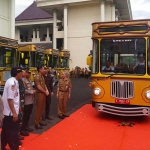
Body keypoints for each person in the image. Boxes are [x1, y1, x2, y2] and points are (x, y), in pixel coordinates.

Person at [1, 67, 22, 150]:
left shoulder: (12, 81)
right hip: (10, 113)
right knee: (13, 133)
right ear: (18, 73)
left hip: (8, 112)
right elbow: (10, 99)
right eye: (21, 72)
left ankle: (2, 146)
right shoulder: (12, 83)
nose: (21, 74)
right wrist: (14, 113)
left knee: (5, 132)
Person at [20, 70, 36, 135]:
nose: (28, 74)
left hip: (30, 100)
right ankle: (22, 129)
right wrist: (32, 92)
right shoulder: (22, 81)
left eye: (29, 73)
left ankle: (26, 126)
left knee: (28, 115)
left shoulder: (29, 80)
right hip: (26, 101)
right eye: (27, 73)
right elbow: (23, 91)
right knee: (25, 116)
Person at [34, 65, 49, 129]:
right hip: (39, 94)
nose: (44, 70)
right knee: (38, 109)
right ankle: (36, 123)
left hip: (43, 93)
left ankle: (40, 121)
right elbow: (38, 87)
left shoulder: (42, 76)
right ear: (40, 70)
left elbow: (44, 84)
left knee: (42, 108)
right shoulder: (37, 77)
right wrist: (45, 91)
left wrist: (47, 90)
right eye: (43, 69)